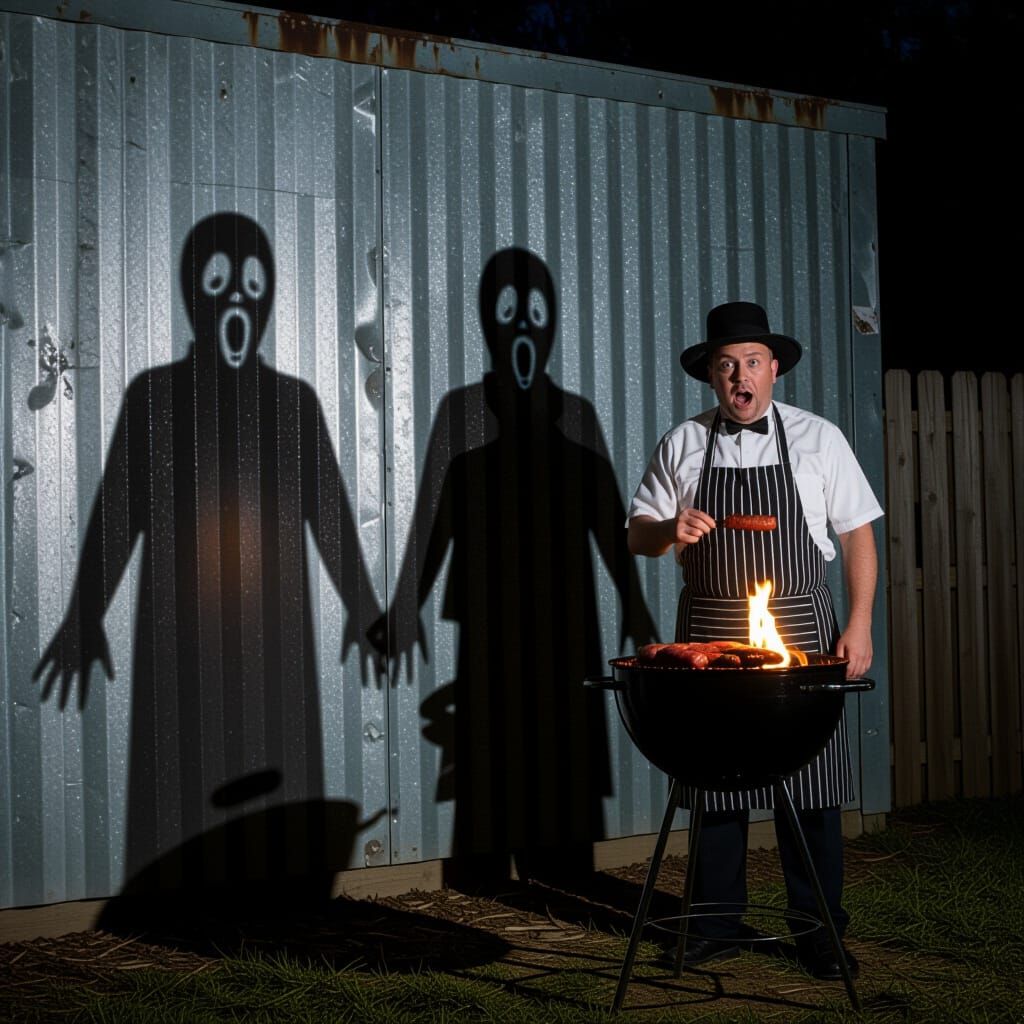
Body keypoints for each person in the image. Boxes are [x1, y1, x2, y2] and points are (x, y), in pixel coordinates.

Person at [626, 300, 882, 980]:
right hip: (710, 635)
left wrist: (858, 622)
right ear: (711, 375)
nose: (740, 376)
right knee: (713, 778)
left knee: (814, 784)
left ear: (774, 370)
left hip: (800, 629)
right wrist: (668, 531)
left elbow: (857, 533)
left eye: (752, 362)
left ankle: (820, 931)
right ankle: (712, 925)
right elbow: (638, 536)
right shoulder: (683, 442)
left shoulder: (819, 438)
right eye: (726, 365)